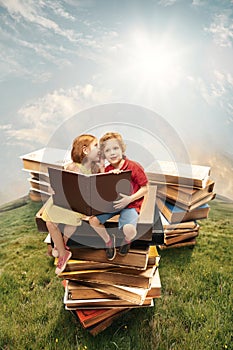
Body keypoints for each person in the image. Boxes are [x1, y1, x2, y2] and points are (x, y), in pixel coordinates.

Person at [42, 134, 101, 274]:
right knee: (50, 222)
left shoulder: (95, 168)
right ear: (86, 150)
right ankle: (63, 252)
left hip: (77, 204)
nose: (99, 149)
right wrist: (53, 188)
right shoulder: (71, 166)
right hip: (64, 200)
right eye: (96, 146)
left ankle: (62, 248)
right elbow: (60, 184)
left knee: (72, 219)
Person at [89, 132, 148, 260]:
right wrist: (108, 175)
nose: (112, 153)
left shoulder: (134, 166)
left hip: (130, 204)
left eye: (115, 148)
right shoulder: (109, 168)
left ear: (122, 149)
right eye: (108, 150)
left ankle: (127, 240)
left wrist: (129, 199)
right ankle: (108, 242)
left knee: (129, 229)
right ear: (104, 154)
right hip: (113, 204)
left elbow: (145, 188)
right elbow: (105, 190)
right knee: (93, 221)